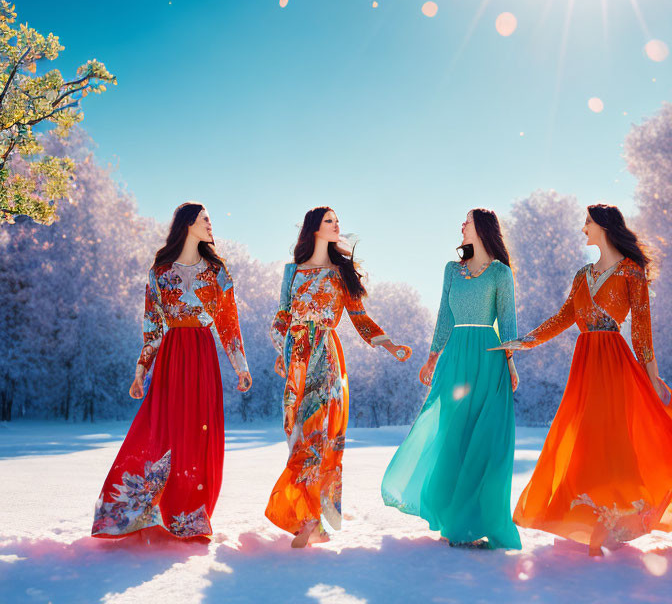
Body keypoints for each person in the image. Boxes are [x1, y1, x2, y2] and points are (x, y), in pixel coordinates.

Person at [497, 204, 672, 556]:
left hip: (614, 364)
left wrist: (653, 380)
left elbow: (642, 334)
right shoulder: (581, 274)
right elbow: (563, 317)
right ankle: (584, 517)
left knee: (612, 440)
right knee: (585, 438)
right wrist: (525, 341)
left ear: (602, 225)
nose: (583, 229)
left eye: (587, 222)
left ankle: (612, 522)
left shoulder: (632, 273)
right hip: (584, 365)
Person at [92, 202, 252, 540]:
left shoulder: (217, 272)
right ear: (189, 223)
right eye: (206, 219)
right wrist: (141, 371)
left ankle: (193, 517)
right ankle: (133, 510)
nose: (211, 225)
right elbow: (151, 327)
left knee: (200, 435)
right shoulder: (160, 272)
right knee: (162, 432)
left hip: (204, 356)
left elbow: (229, 325)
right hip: (171, 356)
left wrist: (241, 367)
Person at [266, 206, 412, 547]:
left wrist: (389, 344)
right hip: (296, 357)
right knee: (297, 434)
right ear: (315, 228)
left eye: (337, 221)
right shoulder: (292, 271)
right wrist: (281, 350)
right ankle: (307, 516)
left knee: (320, 433)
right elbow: (282, 316)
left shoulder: (341, 274)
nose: (336, 225)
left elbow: (360, 318)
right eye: (329, 220)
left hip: (327, 355)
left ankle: (310, 520)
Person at [382, 209, 522, 550]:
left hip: (489, 360)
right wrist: (432, 356)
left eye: (467, 221)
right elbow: (444, 315)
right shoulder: (452, 270)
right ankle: (451, 520)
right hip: (455, 359)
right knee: (451, 436)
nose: (461, 225)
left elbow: (508, 322)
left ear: (482, 229)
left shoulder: (501, 273)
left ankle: (477, 522)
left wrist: (512, 363)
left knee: (484, 442)